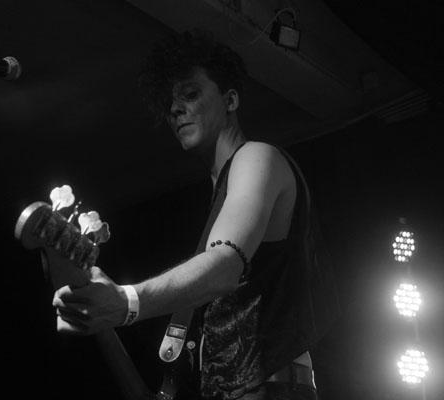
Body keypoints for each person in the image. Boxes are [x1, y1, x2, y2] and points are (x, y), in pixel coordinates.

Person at [52, 30, 339, 400]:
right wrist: (97, 310)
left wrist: (127, 302)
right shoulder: (221, 197)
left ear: (230, 99)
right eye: (169, 102)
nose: (175, 109)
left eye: (190, 94)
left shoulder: (256, 157)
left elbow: (225, 265)